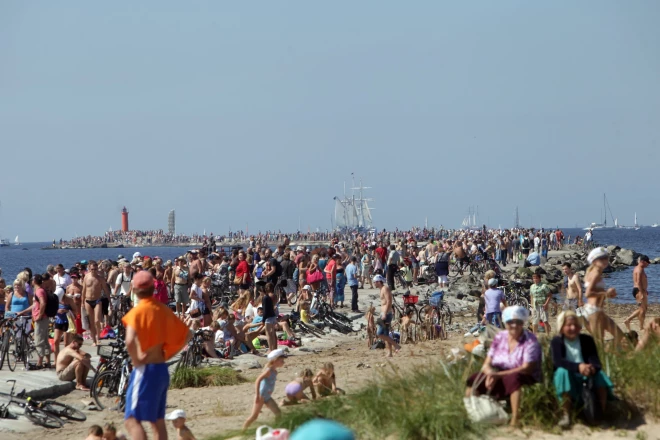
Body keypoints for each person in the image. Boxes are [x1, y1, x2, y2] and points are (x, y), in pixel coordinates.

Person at [122, 271, 191, 440]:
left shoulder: (138, 311)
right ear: (153, 287)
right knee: (157, 420)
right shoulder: (162, 309)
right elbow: (187, 335)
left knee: (131, 420)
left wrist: (137, 361)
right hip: (161, 369)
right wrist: (168, 354)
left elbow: (129, 341)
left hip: (145, 370)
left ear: (135, 290)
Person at [465, 306, 541, 428]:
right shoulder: (500, 337)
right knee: (474, 379)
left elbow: (527, 367)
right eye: (511, 322)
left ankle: (515, 419)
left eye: (518, 322)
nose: (514, 325)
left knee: (514, 378)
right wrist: (490, 373)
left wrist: (497, 375)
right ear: (506, 323)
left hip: (524, 374)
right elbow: (487, 362)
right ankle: (474, 413)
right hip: (498, 372)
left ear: (523, 323)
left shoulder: (530, 340)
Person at [552, 311, 613, 429]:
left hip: (586, 376)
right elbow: (558, 362)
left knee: (600, 375)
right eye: (569, 325)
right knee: (561, 372)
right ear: (562, 327)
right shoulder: (557, 341)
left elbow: (596, 361)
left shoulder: (587, 340)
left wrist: (591, 368)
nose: (573, 328)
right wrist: (578, 367)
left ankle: (599, 415)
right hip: (569, 375)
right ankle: (566, 415)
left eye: (575, 325)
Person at [583, 248, 625, 348]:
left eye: (606, 258)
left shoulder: (594, 272)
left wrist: (608, 295)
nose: (605, 260)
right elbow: (588, 294)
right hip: (594, 311)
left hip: (598, 311)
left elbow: (595, 292)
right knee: (600, 343)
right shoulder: (595, 273)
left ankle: (608, 355)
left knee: (619, 337)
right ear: (594, 261)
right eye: (601, 258)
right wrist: (606, 294)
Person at [243, 349, 286, 430]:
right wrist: (257, 395)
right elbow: (258, 380)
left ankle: (276, 429)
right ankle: (243, 431)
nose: (283, 362)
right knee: (254, 416)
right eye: (282, 360)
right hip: (261, 396)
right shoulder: (268, 371)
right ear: (275, 360)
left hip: (267, 396)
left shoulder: (274, 371)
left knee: (278, 412)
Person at [82, 260, 111, 346]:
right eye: (92, 269)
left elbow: (106, 290)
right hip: (88, 301)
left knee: (97, 321)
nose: (94, 271)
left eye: (95, 269)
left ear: (97, 269)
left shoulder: (100, 279)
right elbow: (83, 290)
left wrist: (110, 301)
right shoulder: (86, 277)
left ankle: (98, 337)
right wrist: (82, 302)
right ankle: (94, 340)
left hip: (97, 300)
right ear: (89, 269)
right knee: (91, 322)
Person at [373, 275, 401, 357]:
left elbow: (389, 301)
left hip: (386, 314)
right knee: (386, 334)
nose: (374, 284)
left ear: (378, 282)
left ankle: (396, 345)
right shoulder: (381, 289)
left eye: (375, 282)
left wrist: (384, 313)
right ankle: (390, 353)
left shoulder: (385, 288)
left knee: (380, 334)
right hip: (384, 313)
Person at [624, 255, 650, 332]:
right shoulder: (639, 269)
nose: (648, 264)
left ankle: (628, 320)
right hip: (639, 290)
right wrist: (641, 293)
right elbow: (638, 282)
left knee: (643, 309)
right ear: (642, 261)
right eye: (647, 263)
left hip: (640, 290)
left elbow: (641, 281)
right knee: (642, 310)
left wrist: (645, 290)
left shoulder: (640, 268)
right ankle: (641, 327)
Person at [31, 274, 52, 369]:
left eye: (32, 280)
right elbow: (36, 305)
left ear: (34, 281)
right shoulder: (41, 290)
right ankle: (47, 362)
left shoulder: (39, 291)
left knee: (39, 341)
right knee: (45, 340)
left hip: (41, 318)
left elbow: (43, 302)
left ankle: (39, 363)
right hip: (44, 318)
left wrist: (39, 315)